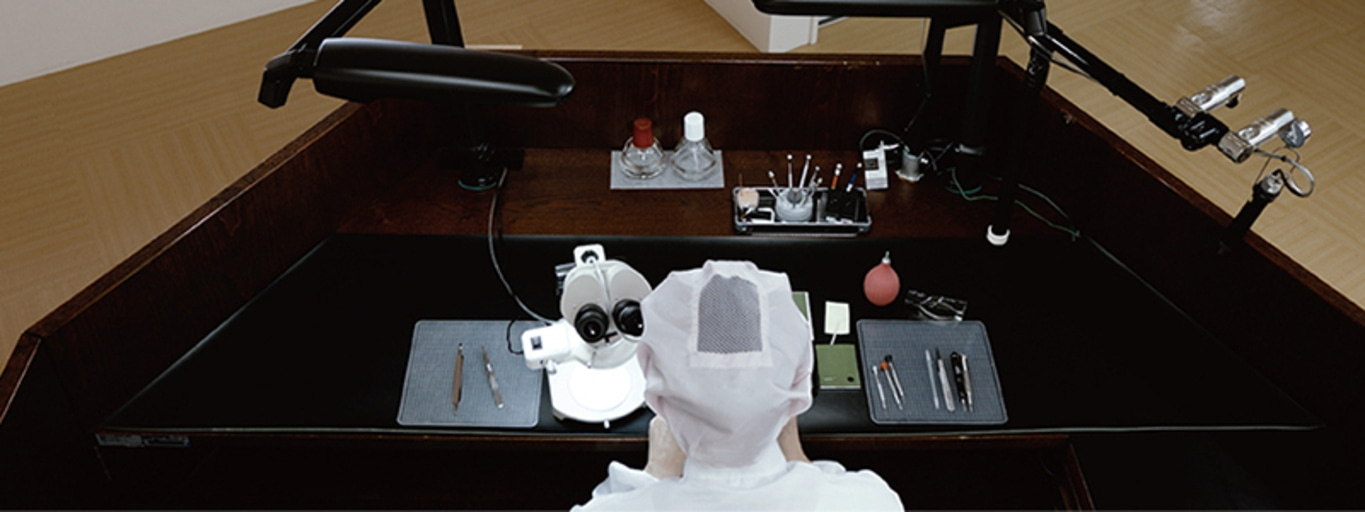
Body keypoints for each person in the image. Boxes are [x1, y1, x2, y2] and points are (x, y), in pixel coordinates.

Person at [574, 261, 904, 511]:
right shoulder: (872, 503)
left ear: (658, 398)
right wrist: (796, 456)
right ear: (798, 391)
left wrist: (657, 471)